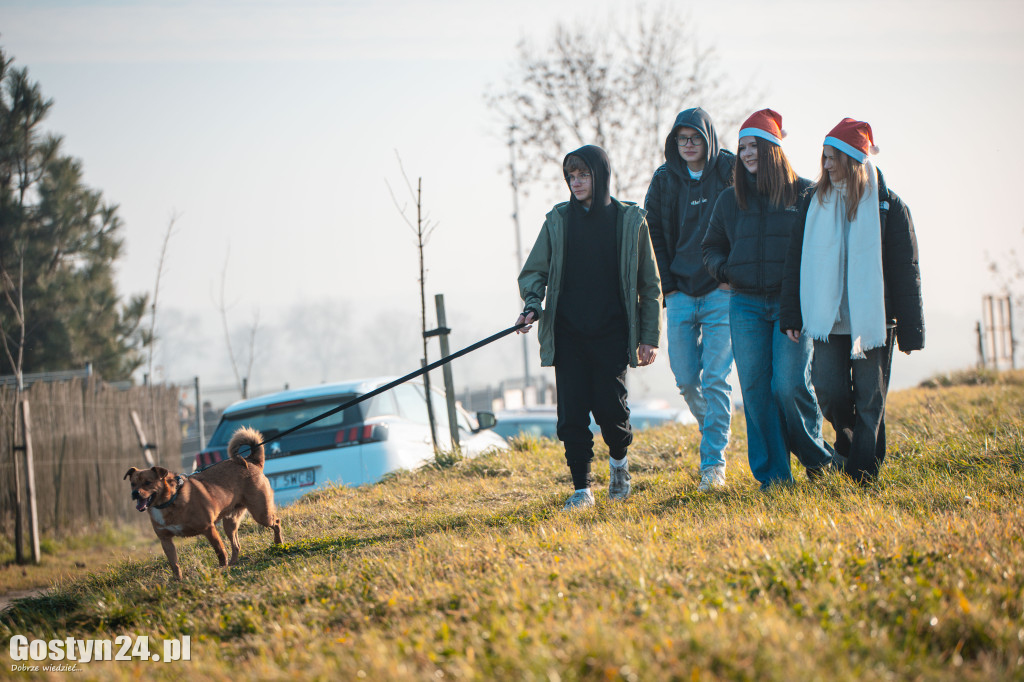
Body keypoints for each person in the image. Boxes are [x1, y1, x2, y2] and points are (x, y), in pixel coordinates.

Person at [516, 144, 662, 510]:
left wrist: (648, 337)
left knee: (612, 413)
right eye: (571, 176)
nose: (576, 182)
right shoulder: (558, 221)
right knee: (572, 416)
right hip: (568, 335)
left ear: (600, 175)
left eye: (583, 174)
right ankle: (582, 489)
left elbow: (650, 284)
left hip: (612, 334)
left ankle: (619, 465)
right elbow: (535, 271)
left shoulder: (630, 222)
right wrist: (532, 306)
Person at [780, 118, 924, 484]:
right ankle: (847, 441)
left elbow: (905, 270)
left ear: (852, 160)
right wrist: (792, 313)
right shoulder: (813, 202)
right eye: (824, 158)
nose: (826, 165)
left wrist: (910, 330)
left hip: (873, 320)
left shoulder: (889, 206)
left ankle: (860, 476)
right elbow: (794, 261)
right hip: (828, 318)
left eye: (833, 158)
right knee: (828, 391)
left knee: (870, 398)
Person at [703, 109, 836, 490]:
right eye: (742, 146)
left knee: (790, 384)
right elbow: (710, 247)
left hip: (791, 305)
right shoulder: (730, 201)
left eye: (754, 146)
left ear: (773, 149)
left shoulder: (805, 194)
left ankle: (816, 458)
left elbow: (821, 250)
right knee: (757, 392)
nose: (745, 154)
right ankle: (775, 477)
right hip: (744, 306)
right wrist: (727, 272)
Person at [644, 107, 736, 491]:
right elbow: (653, 234)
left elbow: (747, 220)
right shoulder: (665, 179)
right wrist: (668, 287)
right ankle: (712, 429)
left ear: (708, 138)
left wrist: (732, 275)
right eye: (682, 139)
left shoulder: (730, 170)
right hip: (680, 292)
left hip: (720, 292)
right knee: (685, 379)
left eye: (695, 138)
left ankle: (713, 463)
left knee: (716, 379)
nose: (688, 145)